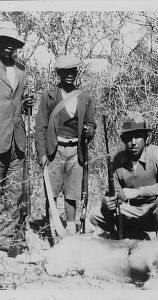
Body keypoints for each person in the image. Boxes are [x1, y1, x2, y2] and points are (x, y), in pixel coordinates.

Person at [89, 111, 158, 241]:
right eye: (129, 138)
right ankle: (137, 237)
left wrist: (138, 192)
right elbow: (115, 196)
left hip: (155, 211)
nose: (133, 142)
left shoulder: (156, 154)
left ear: (145, 137)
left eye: (137, 137)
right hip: (132, 212)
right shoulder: (118, 160)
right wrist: (106, 203)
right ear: (123, 140)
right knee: (95, 214)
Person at [35, 54, 96, 235]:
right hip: (55, 150)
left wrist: (90, 131)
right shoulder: (48, 96)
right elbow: (40, 127)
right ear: (59, 74)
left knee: (72, 193)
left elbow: (91, 123)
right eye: (65, 72)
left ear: (77, 72)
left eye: (73, 71)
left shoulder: (84, 97)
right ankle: (49, 229)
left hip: (76, 151)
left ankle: (70, 228)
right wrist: (42, 154)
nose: (70, 75)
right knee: (51, 192)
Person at [0, 21, 35, 247]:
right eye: (5, 42)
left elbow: (19, 104)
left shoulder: (21, 70)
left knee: (14, 191)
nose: (9, 47)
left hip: (17, 139)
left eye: (13, 43)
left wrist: (26, 104)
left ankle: (5, 239)